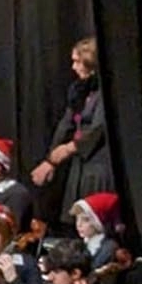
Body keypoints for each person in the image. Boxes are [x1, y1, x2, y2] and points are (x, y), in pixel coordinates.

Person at [32, 36, 112, 209]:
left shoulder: (106, 93)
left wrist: (69, 148)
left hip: (99, 163)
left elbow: (98, 129)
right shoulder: (79, 90)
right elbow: (66, 125)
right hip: (80, 163)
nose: (73, 67)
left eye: (77, 62)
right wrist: (51, 159)